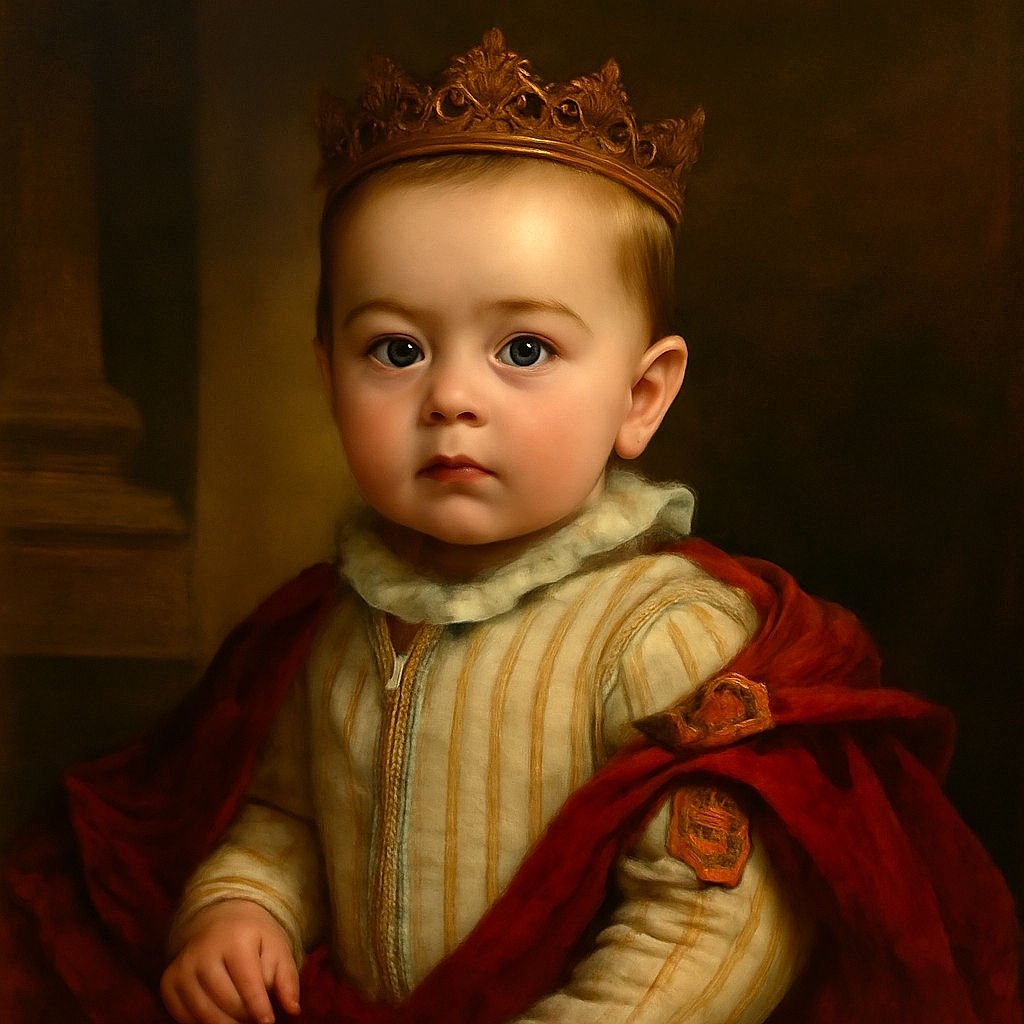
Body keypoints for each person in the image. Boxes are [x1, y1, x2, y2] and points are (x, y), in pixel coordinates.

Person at [2, 29, 1020, 1024]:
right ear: (326, 376)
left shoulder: (661, 634)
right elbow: (288, 819)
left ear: (642, 395)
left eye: (523, 350)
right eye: (395, 349)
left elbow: (716, 920)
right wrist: (238, 907)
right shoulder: (336, 624)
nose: (449, 395)